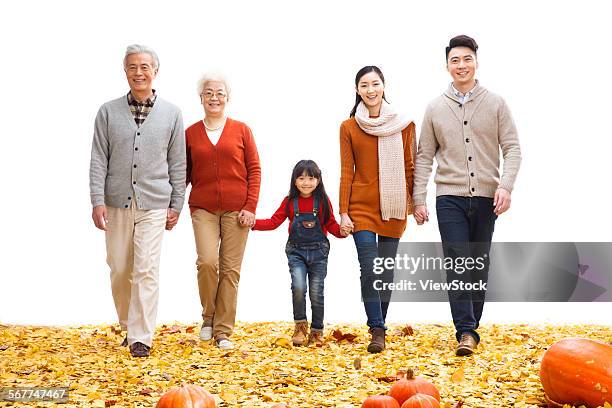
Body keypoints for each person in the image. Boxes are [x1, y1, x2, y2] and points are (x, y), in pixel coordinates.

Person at [413, 35, 522, 356]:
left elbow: (512, 148)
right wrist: (418, 198)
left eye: (467, 59)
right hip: (449, 197)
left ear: (476, 62)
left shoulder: (496, 103)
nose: (461, 65)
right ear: (447, 66)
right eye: (455, 60)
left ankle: (471, 324)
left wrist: (506, 185)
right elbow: (424, 156)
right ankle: (466, 331)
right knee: (458, 262)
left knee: (478, 263)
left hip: (488, 198)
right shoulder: (434, 107)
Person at [89, 44, 185, 358]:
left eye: (145, 67)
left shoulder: (171, 113)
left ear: (155, 71)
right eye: (133, 67)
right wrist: (97, 199)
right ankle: (128, 325)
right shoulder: (107, 111)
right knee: (118, 267)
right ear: (125, 71)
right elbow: (98, 159)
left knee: (146, 269)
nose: (139, 72)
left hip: (155, 203)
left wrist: (176, 204)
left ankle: (141, 335)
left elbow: (178, 163)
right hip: (116, 201)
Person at [339, 66, 416, 353]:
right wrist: (343, 211)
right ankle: (377, 328)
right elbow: (347, 170)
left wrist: (415, 202)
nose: (370, 90)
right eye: (364, 85)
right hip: (361, 207)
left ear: (384, 86)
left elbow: (410, 167)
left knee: (385, 269)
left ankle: (379, 321)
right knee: (369, 267)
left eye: (375, 84)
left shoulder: (404, 124)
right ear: (357, 90)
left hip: (393, 205)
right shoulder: (348, 127)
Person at [186, 72, 261, 350]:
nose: (214, 97)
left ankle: (223, 331)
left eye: (219, 93)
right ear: (201, 97)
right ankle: (208, 317)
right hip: (203, 207)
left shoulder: (241, 130)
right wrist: (169, 205)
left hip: (237, 210)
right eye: (208, 93)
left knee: (230, 270)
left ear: (227, 97)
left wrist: (250, 206)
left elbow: (254, 169)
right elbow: (182, 173)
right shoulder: (190, 133)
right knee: (207, 262)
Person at [253, 160, 347, 346]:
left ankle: (317, 331)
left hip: (319, 252)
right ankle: (300, 327)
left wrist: (343, 232)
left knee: (316, 292)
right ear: (294, 180)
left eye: (311, 178)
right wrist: (252, 223)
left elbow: (331, 224)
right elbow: (273, 222)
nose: (306, 182)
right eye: (301, 178)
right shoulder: (290, 201)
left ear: (318, 180)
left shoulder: (322, 201)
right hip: (296, 252)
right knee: (298, 287)